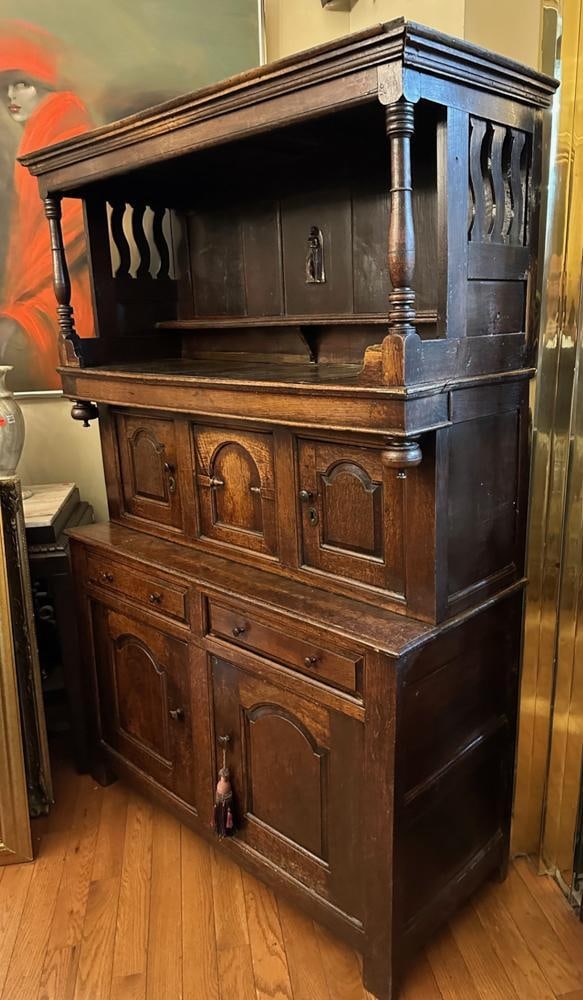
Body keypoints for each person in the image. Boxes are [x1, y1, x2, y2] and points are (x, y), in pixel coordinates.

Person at [0, 21, 94, 392]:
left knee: (13, 338)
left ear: (44, 84)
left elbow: (73, 224)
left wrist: (21, 302)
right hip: (42, 286)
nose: (12, 95)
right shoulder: (33, 137)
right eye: (7, 87)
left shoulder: (64, 120)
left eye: (21, 83)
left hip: (67, 287)